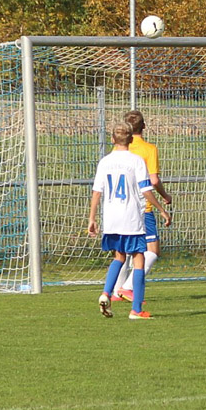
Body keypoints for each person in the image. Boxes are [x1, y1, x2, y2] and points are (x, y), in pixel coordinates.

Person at [88, 123, 171, 320]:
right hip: (131, 217)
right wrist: (161, 209)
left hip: (111, 219)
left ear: (113, 139)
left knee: (119, 256)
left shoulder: (105, 161)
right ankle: (136, 309)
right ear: (131, 140)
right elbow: (145, 190)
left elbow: (97, 192)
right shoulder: (136, 161)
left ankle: (106, 293)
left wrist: (92, 218)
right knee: (139, 258)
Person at [110, 110, 173, 302]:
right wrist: (165, 197)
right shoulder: (148, 149)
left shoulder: (118, 149)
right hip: (141, 207)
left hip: (119, 207)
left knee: (123, 252)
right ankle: (127, 288)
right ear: (144, 126)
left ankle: (115, 292)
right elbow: (153, 180)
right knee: (152, 251)